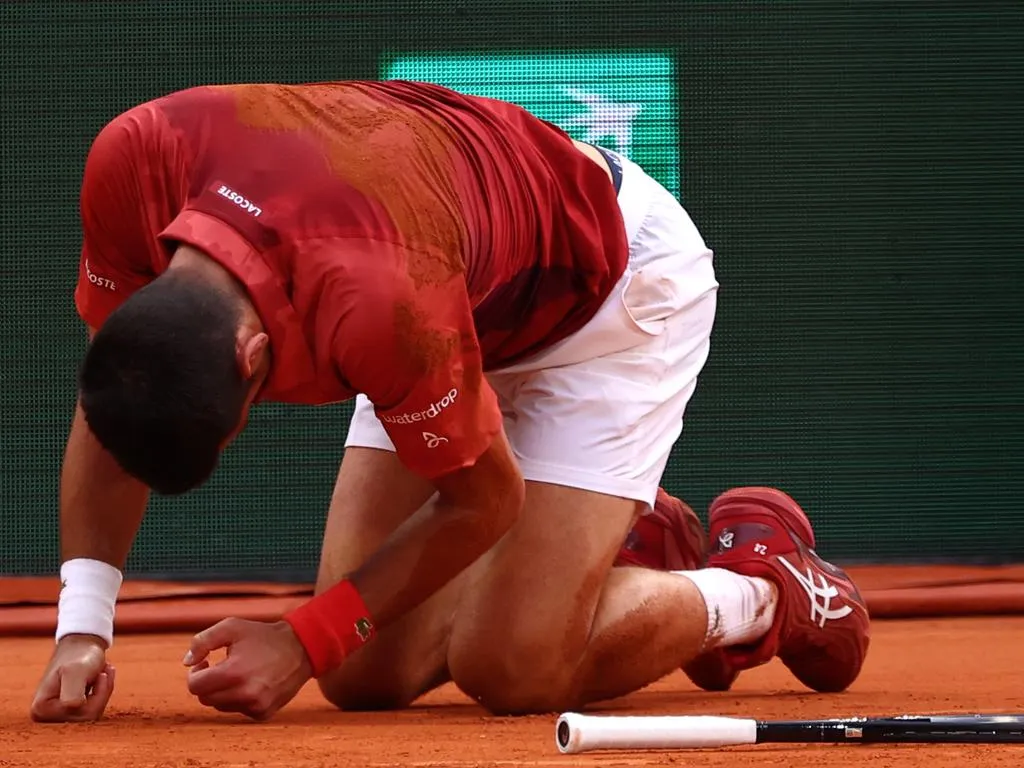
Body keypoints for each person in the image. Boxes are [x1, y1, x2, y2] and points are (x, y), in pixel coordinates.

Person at [30, 80, 869, 723]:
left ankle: (761, 588)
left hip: (608, 295)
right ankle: (620, 546)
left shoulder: (377, 304)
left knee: (512, 668)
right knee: (362, 673)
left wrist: (300, 638)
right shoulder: (131, 164)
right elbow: (120, 393)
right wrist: (82, 627)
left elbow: (484, 497)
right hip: (449, 280)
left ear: (254, 362)